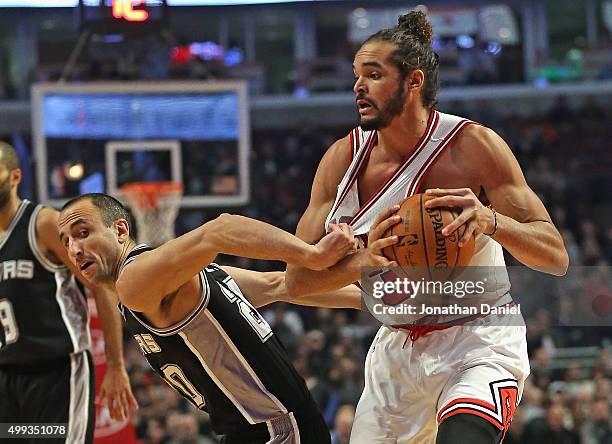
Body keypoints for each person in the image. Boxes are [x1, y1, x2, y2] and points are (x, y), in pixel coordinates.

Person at [284, 10, 569, 444]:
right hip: (397, 350)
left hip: (479, 336)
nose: (358, 86)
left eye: (374, 75)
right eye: (357, 75)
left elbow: (556, 257)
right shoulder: (341, 161)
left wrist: (494, 222)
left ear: (413, 81)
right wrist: (366, 258)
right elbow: (299, 280)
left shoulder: (473, 147)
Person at [57, 193, 385, 444]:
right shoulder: (171, 285)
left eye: (83, 233)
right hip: (254, 429)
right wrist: (373, 302)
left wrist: (315, 257)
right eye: (67, 242)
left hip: (275, 428)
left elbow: (224, 231)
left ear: (120, 229)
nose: (74, 249)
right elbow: (281, 286)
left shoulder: (133, 282)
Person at [0, 142, 136, 444]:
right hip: (7, 377)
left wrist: (115, 365)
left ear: (15, 177)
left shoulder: (43, 223)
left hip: (56, 371)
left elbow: (101, 284)